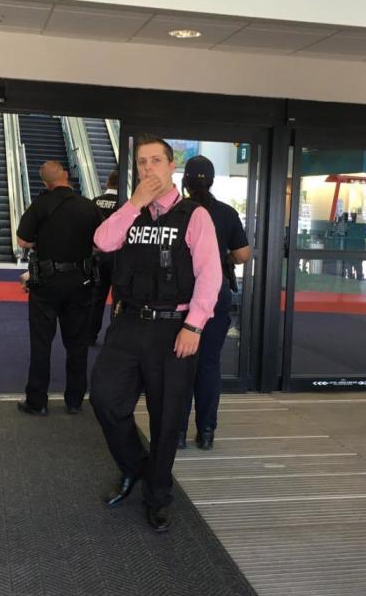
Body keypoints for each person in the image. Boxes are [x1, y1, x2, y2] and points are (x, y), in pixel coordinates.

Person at [91, 135, 221, 533]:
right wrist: (132, 203)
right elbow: (102, 241)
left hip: (173, 328)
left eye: (155, 162)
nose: (148, 169)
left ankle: (158, 494)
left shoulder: (194, 215)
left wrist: (194, 325)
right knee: (106, 399)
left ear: (171, 167)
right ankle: (137, 467)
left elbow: (210, 275)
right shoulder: (128, 214)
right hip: (128, 324)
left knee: (167, 420)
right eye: (142, 163)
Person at [16, 161, 102, 416]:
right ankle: (75, 400)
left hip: (46, 283)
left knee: (41, 343)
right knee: (77, 344)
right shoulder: (88, 206)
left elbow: (22, 239)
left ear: (45, 182)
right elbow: (101, 242)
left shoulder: (40, 205)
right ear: (65, 175)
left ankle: (37, 401)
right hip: (80, 283)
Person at [177, 156, 250, 451]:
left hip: (183, 299)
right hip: (216, 297)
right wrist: (223, 261)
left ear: (185, 182)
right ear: (212, 181)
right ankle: (206, 432)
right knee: (209, 365)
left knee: (180, 367)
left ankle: (177, 434)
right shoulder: (226, 213)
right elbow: (243, 254)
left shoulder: (178, 212)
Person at [90, 168, 120, 344]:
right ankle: (114, 337)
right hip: (118, 257)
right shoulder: (125, 203)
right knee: (118, 297)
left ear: (107, 182)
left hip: (98, 256)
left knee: (96, 297)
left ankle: (90, 334)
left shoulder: (95, 202)